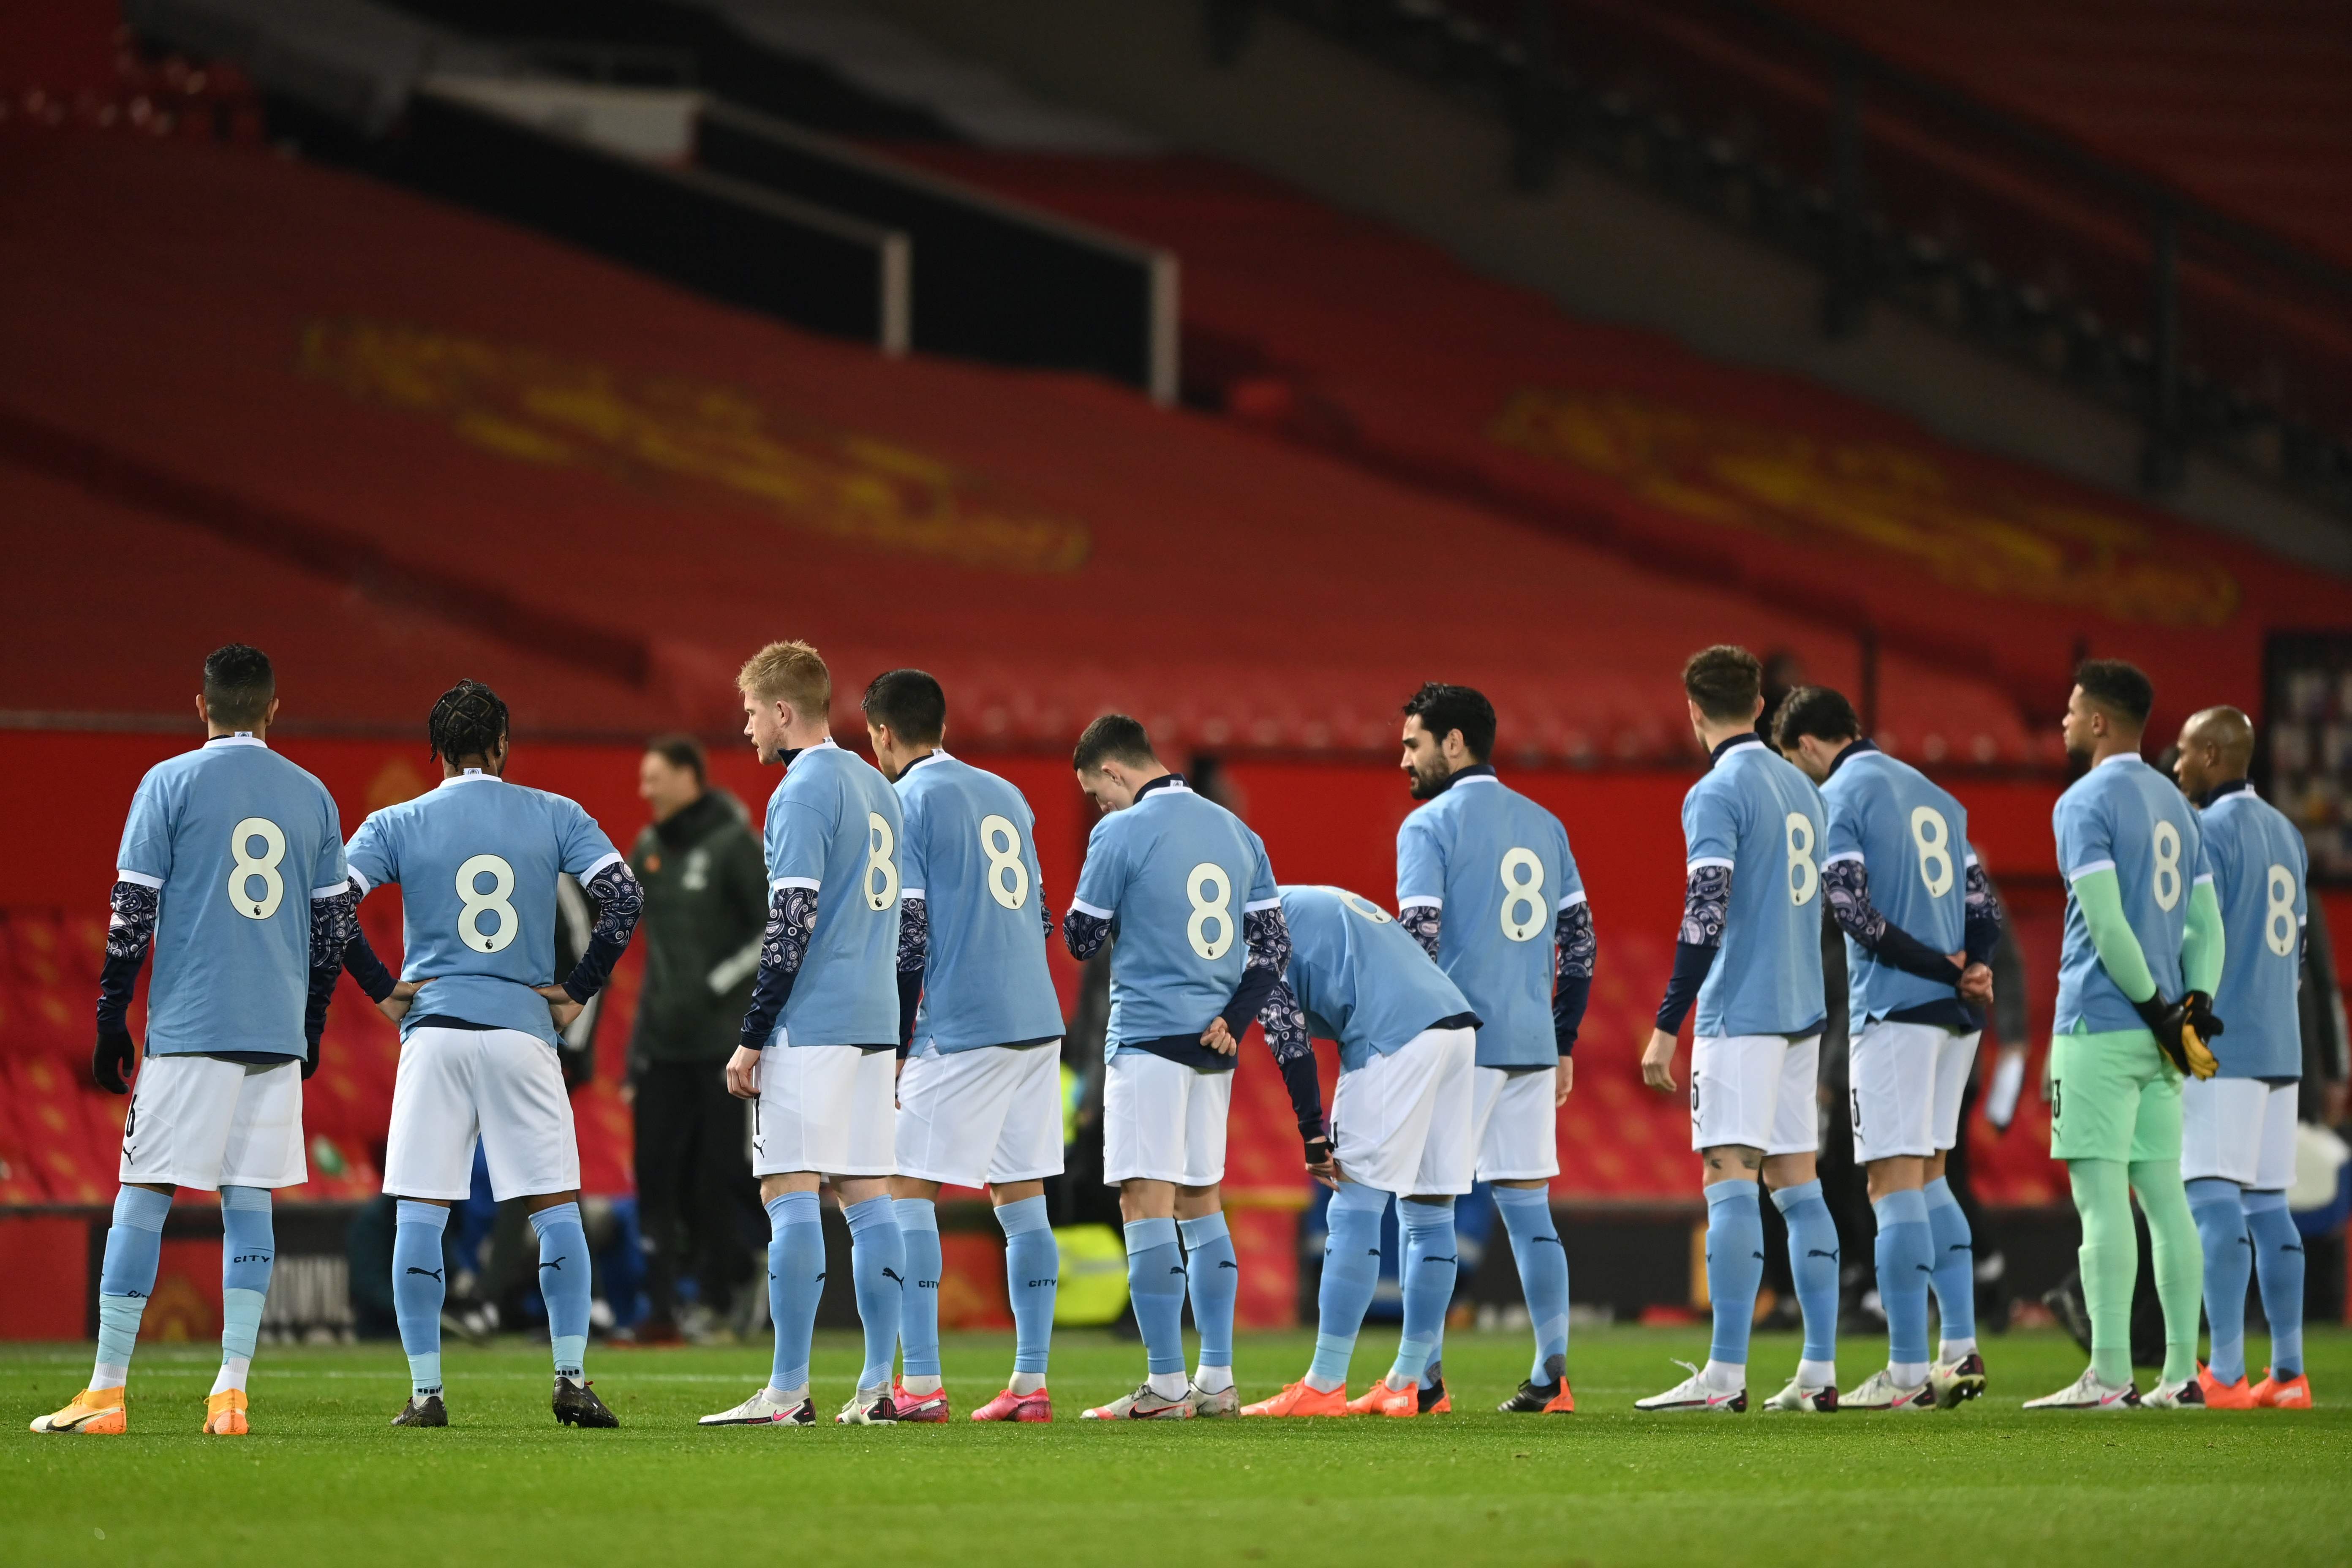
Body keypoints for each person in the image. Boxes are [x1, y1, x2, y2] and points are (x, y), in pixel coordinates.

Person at [35, 646, 351, 1438]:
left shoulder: (167, 782)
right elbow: (332, 931)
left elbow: (132, 911)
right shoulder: (313, 796)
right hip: (273, 1033)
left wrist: (112, 1015)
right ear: (273, 709)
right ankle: (231, 1392)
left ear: (200, 705)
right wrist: (309, 1027)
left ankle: (106, 1390)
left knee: (143, 1192)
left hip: (191, 1025)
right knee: (250, 1199)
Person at [339, 679, 642, 1429]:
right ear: (503, 744)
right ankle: (571, 1378)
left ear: (434, 752)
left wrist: (382, 987)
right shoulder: (555, 813)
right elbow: (625, 896)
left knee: (420, 1209)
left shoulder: (397, 820)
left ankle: (425, 1394)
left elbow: (328, 905)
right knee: (554, 1207)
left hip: (436, 1032)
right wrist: (576, 990)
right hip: (523, 1031)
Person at [1062, 715, 1325, 1420]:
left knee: (1144, 1203)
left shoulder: (1119, 832)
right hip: (1215, 1045)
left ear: (1114, 772)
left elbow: (1082, 938)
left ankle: (1165, 1385)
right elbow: (1271, 950)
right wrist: (1232, 1021)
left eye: (1095, 792)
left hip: (1147, 1035)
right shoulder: (1238, 832)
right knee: (1201, 1201)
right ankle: (1217, 1379)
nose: (1099, 805)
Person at [1775, 686, 2005, 1410]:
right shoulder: (1937, 795)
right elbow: (1983, 907)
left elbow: (1846, 904)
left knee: (1889, 1184)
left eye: (1793, 760)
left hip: (1897, 1010)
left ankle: (1906, 1371)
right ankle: (1958, 1346)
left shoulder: (1840, 792)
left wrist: (1940, 965)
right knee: (1932, 1176)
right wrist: (1972, 963)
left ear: (1807, 745)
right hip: (1955, 1020)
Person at [702, 641, 908, 1429]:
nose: (747, 725)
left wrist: (753, 1034)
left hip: (811, 1022)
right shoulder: (877, 786)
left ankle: (787, 1391)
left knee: (787, 1188)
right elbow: (908, 920)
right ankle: (877, 1388)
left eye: (753, 710)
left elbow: (790, 924)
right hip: (873, 1023)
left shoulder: (800, 792)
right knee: (866, 1197)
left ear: (783, 712)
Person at [861, 670, 1068, 1424]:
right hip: (1036, 1019)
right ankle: (1031, 1382)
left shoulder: (906, 800)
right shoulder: (1006, 793)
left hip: (959, 1021)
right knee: (1021, 1197)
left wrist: (896, 1037)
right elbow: (1042, 916)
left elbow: (908, 928)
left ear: (882, 733)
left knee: (904, 1186)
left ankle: (919, 1385)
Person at [1637, 645, 1838, 1414]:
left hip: (1742, 1011)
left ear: (1692, 711)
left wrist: (1666, 1021)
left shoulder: (1715, 792)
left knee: (1727, 1175)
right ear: (1759, 706)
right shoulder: (1803, 787)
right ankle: (1817, 1371)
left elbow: (1704, 910)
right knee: (1797, 1185)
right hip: (1800, 1010)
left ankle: (1723, 1377)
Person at [2025, 660, 2223, 1411]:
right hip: (2160, 1037)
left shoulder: (2082, 802)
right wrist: (2188, 1012)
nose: (2067, 720)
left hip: (2103, 1024)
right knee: (2165, 1197)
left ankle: (2108, 1374)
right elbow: (2206, 927)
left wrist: (2154, 1011)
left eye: (2074, 710)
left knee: (2101, 1200)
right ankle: (2180, 1375)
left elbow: (2104, 924)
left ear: (2100, 721)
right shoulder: (2179, 807)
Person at [1394, 682, 1595, 1414]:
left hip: (1457, 1044)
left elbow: (1415, 941)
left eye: (1414, 743)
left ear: (1454, 743)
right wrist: (1563, 1037)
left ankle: (1419, 1381)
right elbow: (1579, 943)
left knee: (1424, 1208)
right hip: (1530, 1044)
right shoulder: (1545, 824)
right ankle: (1551, 1375)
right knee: (1527, 1208)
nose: (1404, 760)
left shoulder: (1427, 826)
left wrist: (1402, 1042)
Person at [1239, 884, 1481, 1418]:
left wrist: (1311, 1130)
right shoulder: (1295, 899)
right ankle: (1412, 1381)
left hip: (1392, 1034)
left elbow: (1287, 1035)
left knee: (1353, 1202)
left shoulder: (1245, 925)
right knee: (1429, 1210)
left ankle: (1324, 1385)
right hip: (1456, 1027)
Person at [2172, 705, 2312, 1409]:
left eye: (2182, 753)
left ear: (2210, 755)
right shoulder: (2288, 835)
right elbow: (2300, 956)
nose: (2173, 765)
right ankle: (2287, 1373)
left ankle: (2223, 1372)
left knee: (2211, 1200)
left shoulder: (2205, 832)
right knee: (2267, 1205)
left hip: (2221, 1042)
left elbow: (2193, 936)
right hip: (2280, 1043)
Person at [625, 734, 768, 1343]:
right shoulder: (649, 848)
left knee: (719, 1176)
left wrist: (716, 986)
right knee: (656, 1174)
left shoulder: (734, 845)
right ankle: (660, 1308)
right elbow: (645, 948)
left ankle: (724, 1291)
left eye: (656, 776)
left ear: (689, 776)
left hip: (720, 1044)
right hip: (663, 1042)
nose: (645, 789)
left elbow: (773, 933)